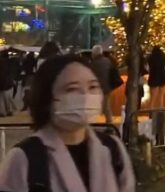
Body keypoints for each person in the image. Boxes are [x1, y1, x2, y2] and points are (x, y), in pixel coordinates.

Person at [0, 55, 135, 192]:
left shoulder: (113, 149)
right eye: (72, 89)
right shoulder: (25, 158)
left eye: (92, 86)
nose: (85, 96)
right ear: (48, 98)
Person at [91, 45, 121, 124]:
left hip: (100, 87)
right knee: (106, 105)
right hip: (108, 87)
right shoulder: (108, 61)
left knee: (99, 106)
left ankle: (95, 121)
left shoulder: (94, 63)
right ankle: (109, 121)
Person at [0, 51, 16, 117]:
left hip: (2, 83)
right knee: (7, 97)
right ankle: (9, 111)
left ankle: (2, 112)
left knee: (1, 99)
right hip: (8, 82)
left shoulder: (1, 62)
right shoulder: (10, 62)